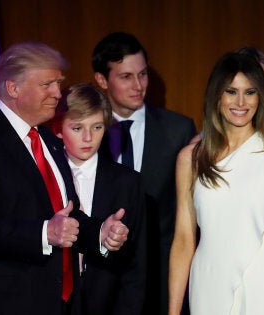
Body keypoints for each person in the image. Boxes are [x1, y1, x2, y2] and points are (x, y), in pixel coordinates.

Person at [0, 42, 129, 315]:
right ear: (13, 88)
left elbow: (66, 217)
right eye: (47, 84)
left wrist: (99, 233)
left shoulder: (49, 142)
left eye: (58, 83)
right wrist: (43, 233)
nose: (57, 93)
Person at [168, 52, 264, 314]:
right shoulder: (191, 159)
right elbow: (183, 239)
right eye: (231, 91)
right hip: (208, 282)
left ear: (261, 97)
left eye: (250, 92)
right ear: (217, 95)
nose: (240, 102)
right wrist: (172, 310)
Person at [92, 31, 197, 314]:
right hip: (102, 278)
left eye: (143, 74)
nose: (138, 85)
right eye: (126, 77)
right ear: (102, 80)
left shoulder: (179, 130)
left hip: (161, 277)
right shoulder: (84, 133)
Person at [50, 83, 147, 314]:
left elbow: (137, 265)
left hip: (107, 303)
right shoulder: (45, 176)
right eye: (77, 128)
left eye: (96, 127)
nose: (88, 138)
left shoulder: (127, 182)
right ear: (58, 129)